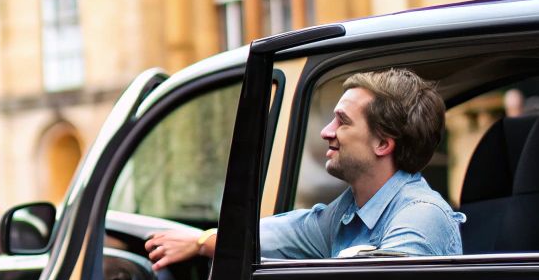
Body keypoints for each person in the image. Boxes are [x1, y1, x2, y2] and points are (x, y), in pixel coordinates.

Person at [146, 68, 463, 269]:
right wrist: (200, 242)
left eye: (342, 121)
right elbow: (274, 237)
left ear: (383, 143)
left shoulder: (421, 216)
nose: (326, 131)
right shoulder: (346, 213)